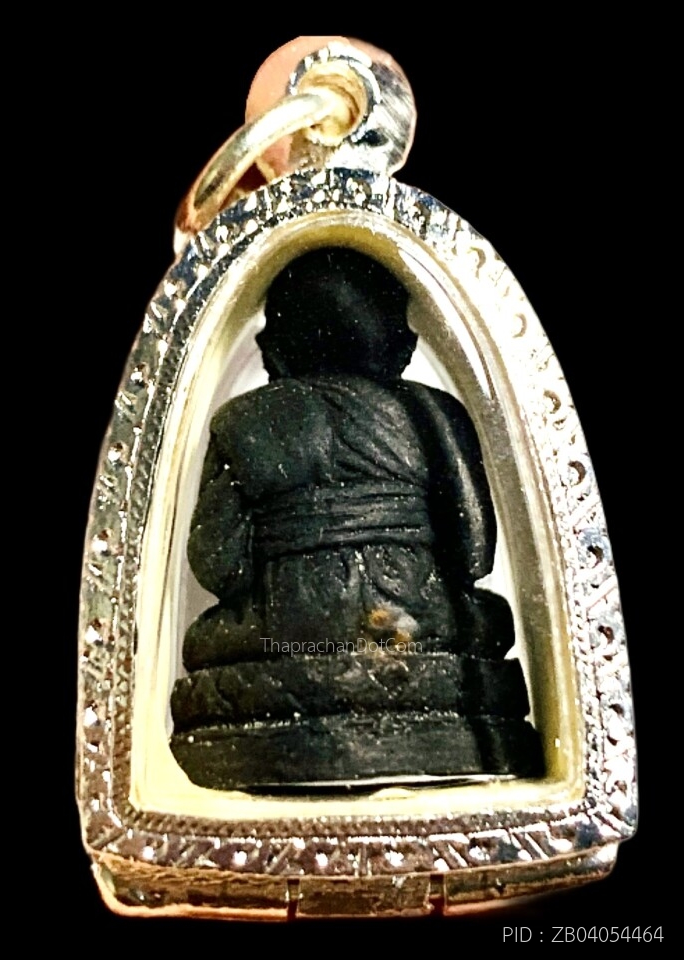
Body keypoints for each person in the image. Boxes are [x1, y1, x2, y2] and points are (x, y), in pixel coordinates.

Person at [170, 247, 542, 790]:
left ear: (275, 347)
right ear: (400, 342)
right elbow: (474, 551)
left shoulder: (243, 420)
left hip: (280, 643)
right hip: (416, 637)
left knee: (210, 644)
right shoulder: (436, 414)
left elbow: (218, 563)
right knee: (484, 623)